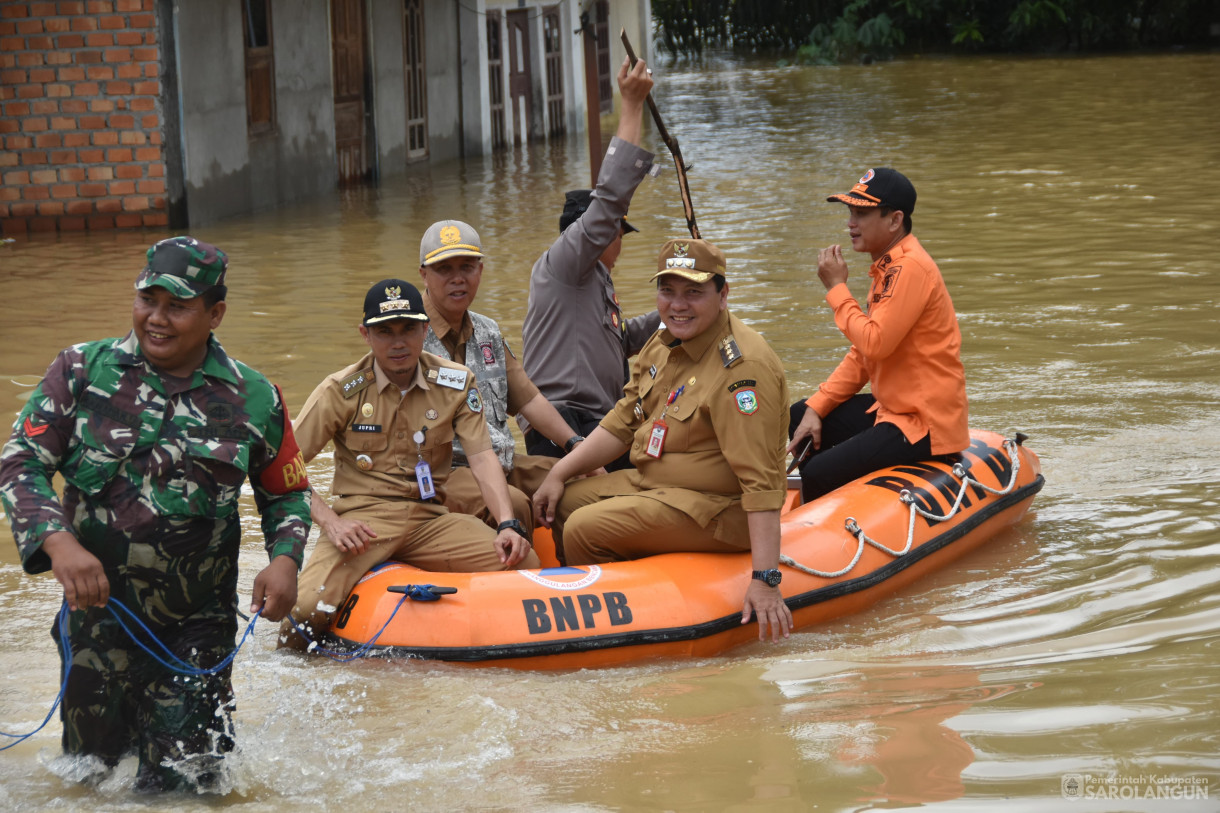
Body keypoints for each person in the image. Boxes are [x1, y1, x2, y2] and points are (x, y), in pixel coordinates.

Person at [0, 237, 312, 791]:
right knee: (88, 775)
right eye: (149, 299)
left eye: (178, 305)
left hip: (196, 627)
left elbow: (286, 493)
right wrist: (59, 544)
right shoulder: (80, 371)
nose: (157, 318)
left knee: (184, 787)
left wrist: (285, 560)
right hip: (97, 620)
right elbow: (20, 463)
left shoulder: (255, 396)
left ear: (215, 312)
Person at [533, 239, 794, 642]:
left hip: (719, 510)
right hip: (657, 486)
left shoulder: (742, 368)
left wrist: (766, 579)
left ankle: (606, 633)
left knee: (585, 528)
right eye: (667, 291)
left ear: (723, 295)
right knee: (564, 501)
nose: (678, 304)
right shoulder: (664, 343)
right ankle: (626, 591)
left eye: (694, 292)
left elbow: (762, 483)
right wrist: (561, 471)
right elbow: (624, 419)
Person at [279, 279, 539, 651]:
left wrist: (507, 525)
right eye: (384, 331)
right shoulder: (341, 390)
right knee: (304, 610)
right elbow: (283, 469)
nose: (398, 342)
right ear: (365, 335)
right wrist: (332, 523)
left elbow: (482, 458)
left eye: (408, 329)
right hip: (362, 524)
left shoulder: (454, 382)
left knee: (524, 562)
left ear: (425, 330)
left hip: (430, 519)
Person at [788, 167, 969, 502]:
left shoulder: (908, 268)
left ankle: (826, 522)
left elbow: (875, 342)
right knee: (799, 416)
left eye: (861, 213)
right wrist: (818, 406)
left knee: (816, 471)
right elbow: (864, 354)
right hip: (894, 410)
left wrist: (838, 288)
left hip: (923, 422)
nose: (850, 223)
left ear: (894, 220)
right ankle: (844, 492)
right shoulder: (888, 267)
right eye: (850, 212)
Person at [521, 56, 661, 468]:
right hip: (566, 423)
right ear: (599, 234)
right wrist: (631, 105)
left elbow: (620, 340)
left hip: (601, 421)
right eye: (617, 233)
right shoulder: (564, 263)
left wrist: (678, 309)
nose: (620, 243)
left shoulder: (595, 280)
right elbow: (610, 199)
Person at [417, 219, 593, 534]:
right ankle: (517, 573)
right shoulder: (410, 337)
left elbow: (529, 399)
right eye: (445, 269)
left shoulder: (488, 331)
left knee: (579, 481)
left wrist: (577, 447)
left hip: (503, 462)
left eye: (467, 267)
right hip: (446, 474)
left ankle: (579, 573)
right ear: (424, 275)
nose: (458, 279)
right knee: (515, 504)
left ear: (480, 272)